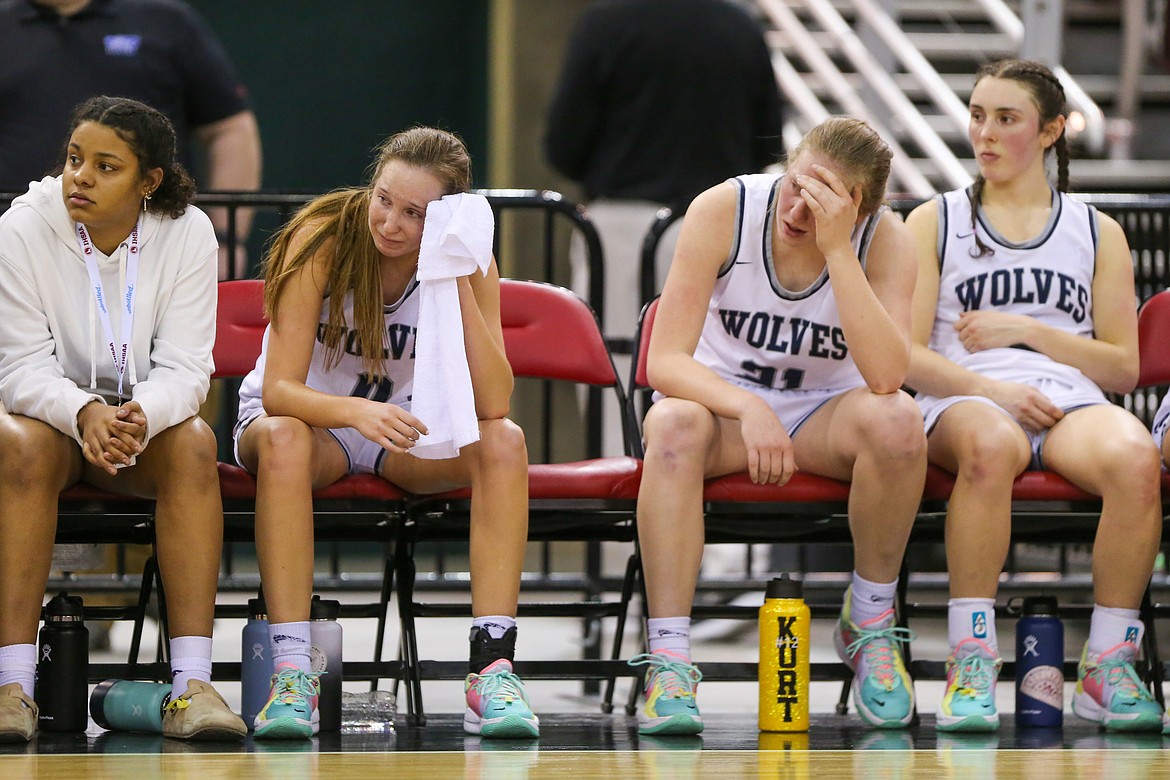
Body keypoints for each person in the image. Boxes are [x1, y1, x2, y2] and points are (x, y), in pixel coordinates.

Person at [233, 127, 538, 740]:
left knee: (504, 442)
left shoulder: (466, 257)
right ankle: (293, 675)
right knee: (287, 439)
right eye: (383, 199)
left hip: (401, 432)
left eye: (415, 214)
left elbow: (495, 400)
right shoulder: (320, 239)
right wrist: (351, 412)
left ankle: (492, 669)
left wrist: (453, 278)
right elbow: (279, 392)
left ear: (446, 216)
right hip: (306, 426)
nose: (390, 223)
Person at [631, 117, 927, 735]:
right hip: (725, 411)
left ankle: (869, 624)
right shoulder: (723, 208)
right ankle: (669, 658)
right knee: (674, 425)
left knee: (899, 422)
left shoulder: (887, 240)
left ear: (861, 209)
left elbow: (888, 376)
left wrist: (839, 250)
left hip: (824, 413)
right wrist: (746, 406)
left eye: (824, 199)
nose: (798, 207)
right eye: (797, 184)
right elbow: (664, 361)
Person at [905, 59, 1165, 733]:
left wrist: (1027, 331)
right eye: (977, 115)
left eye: (1006, 118)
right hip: (963, 395)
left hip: (1065, 398)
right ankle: (972, 660)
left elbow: (1122, 369)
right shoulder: (934, 221)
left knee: (1137, 458)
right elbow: (906, 355)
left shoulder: (1094, 229)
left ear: (1051, 131)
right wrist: (992, 385)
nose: (984, 133)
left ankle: (1108, 664)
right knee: (991, 445)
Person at [0, 95, 246, 742]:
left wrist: (143, 414)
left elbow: (190, 367)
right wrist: (82, 411)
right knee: (17, 445)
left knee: (193, 443)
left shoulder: (188, 232)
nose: (79, 176)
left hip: (138, 424)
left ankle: (191, 686)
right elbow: (19, 367)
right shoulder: (22, 228)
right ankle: (13, 689)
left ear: (149, 182)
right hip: (51, 421)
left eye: (106, 166)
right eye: (75, 159)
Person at [544, 0, 785, 457]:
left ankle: (618, 512)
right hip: (723, 225)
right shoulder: (739, 25)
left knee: (612, 369)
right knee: (718, 365)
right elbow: (768, 134)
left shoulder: (605, 23)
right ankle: (715, 516)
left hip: (621, 229)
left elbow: (564, 142)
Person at [0, 0, 263, 278]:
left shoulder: (164, 21)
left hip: (151, 249)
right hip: (16, 247)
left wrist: (225, 239)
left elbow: (228, 129)